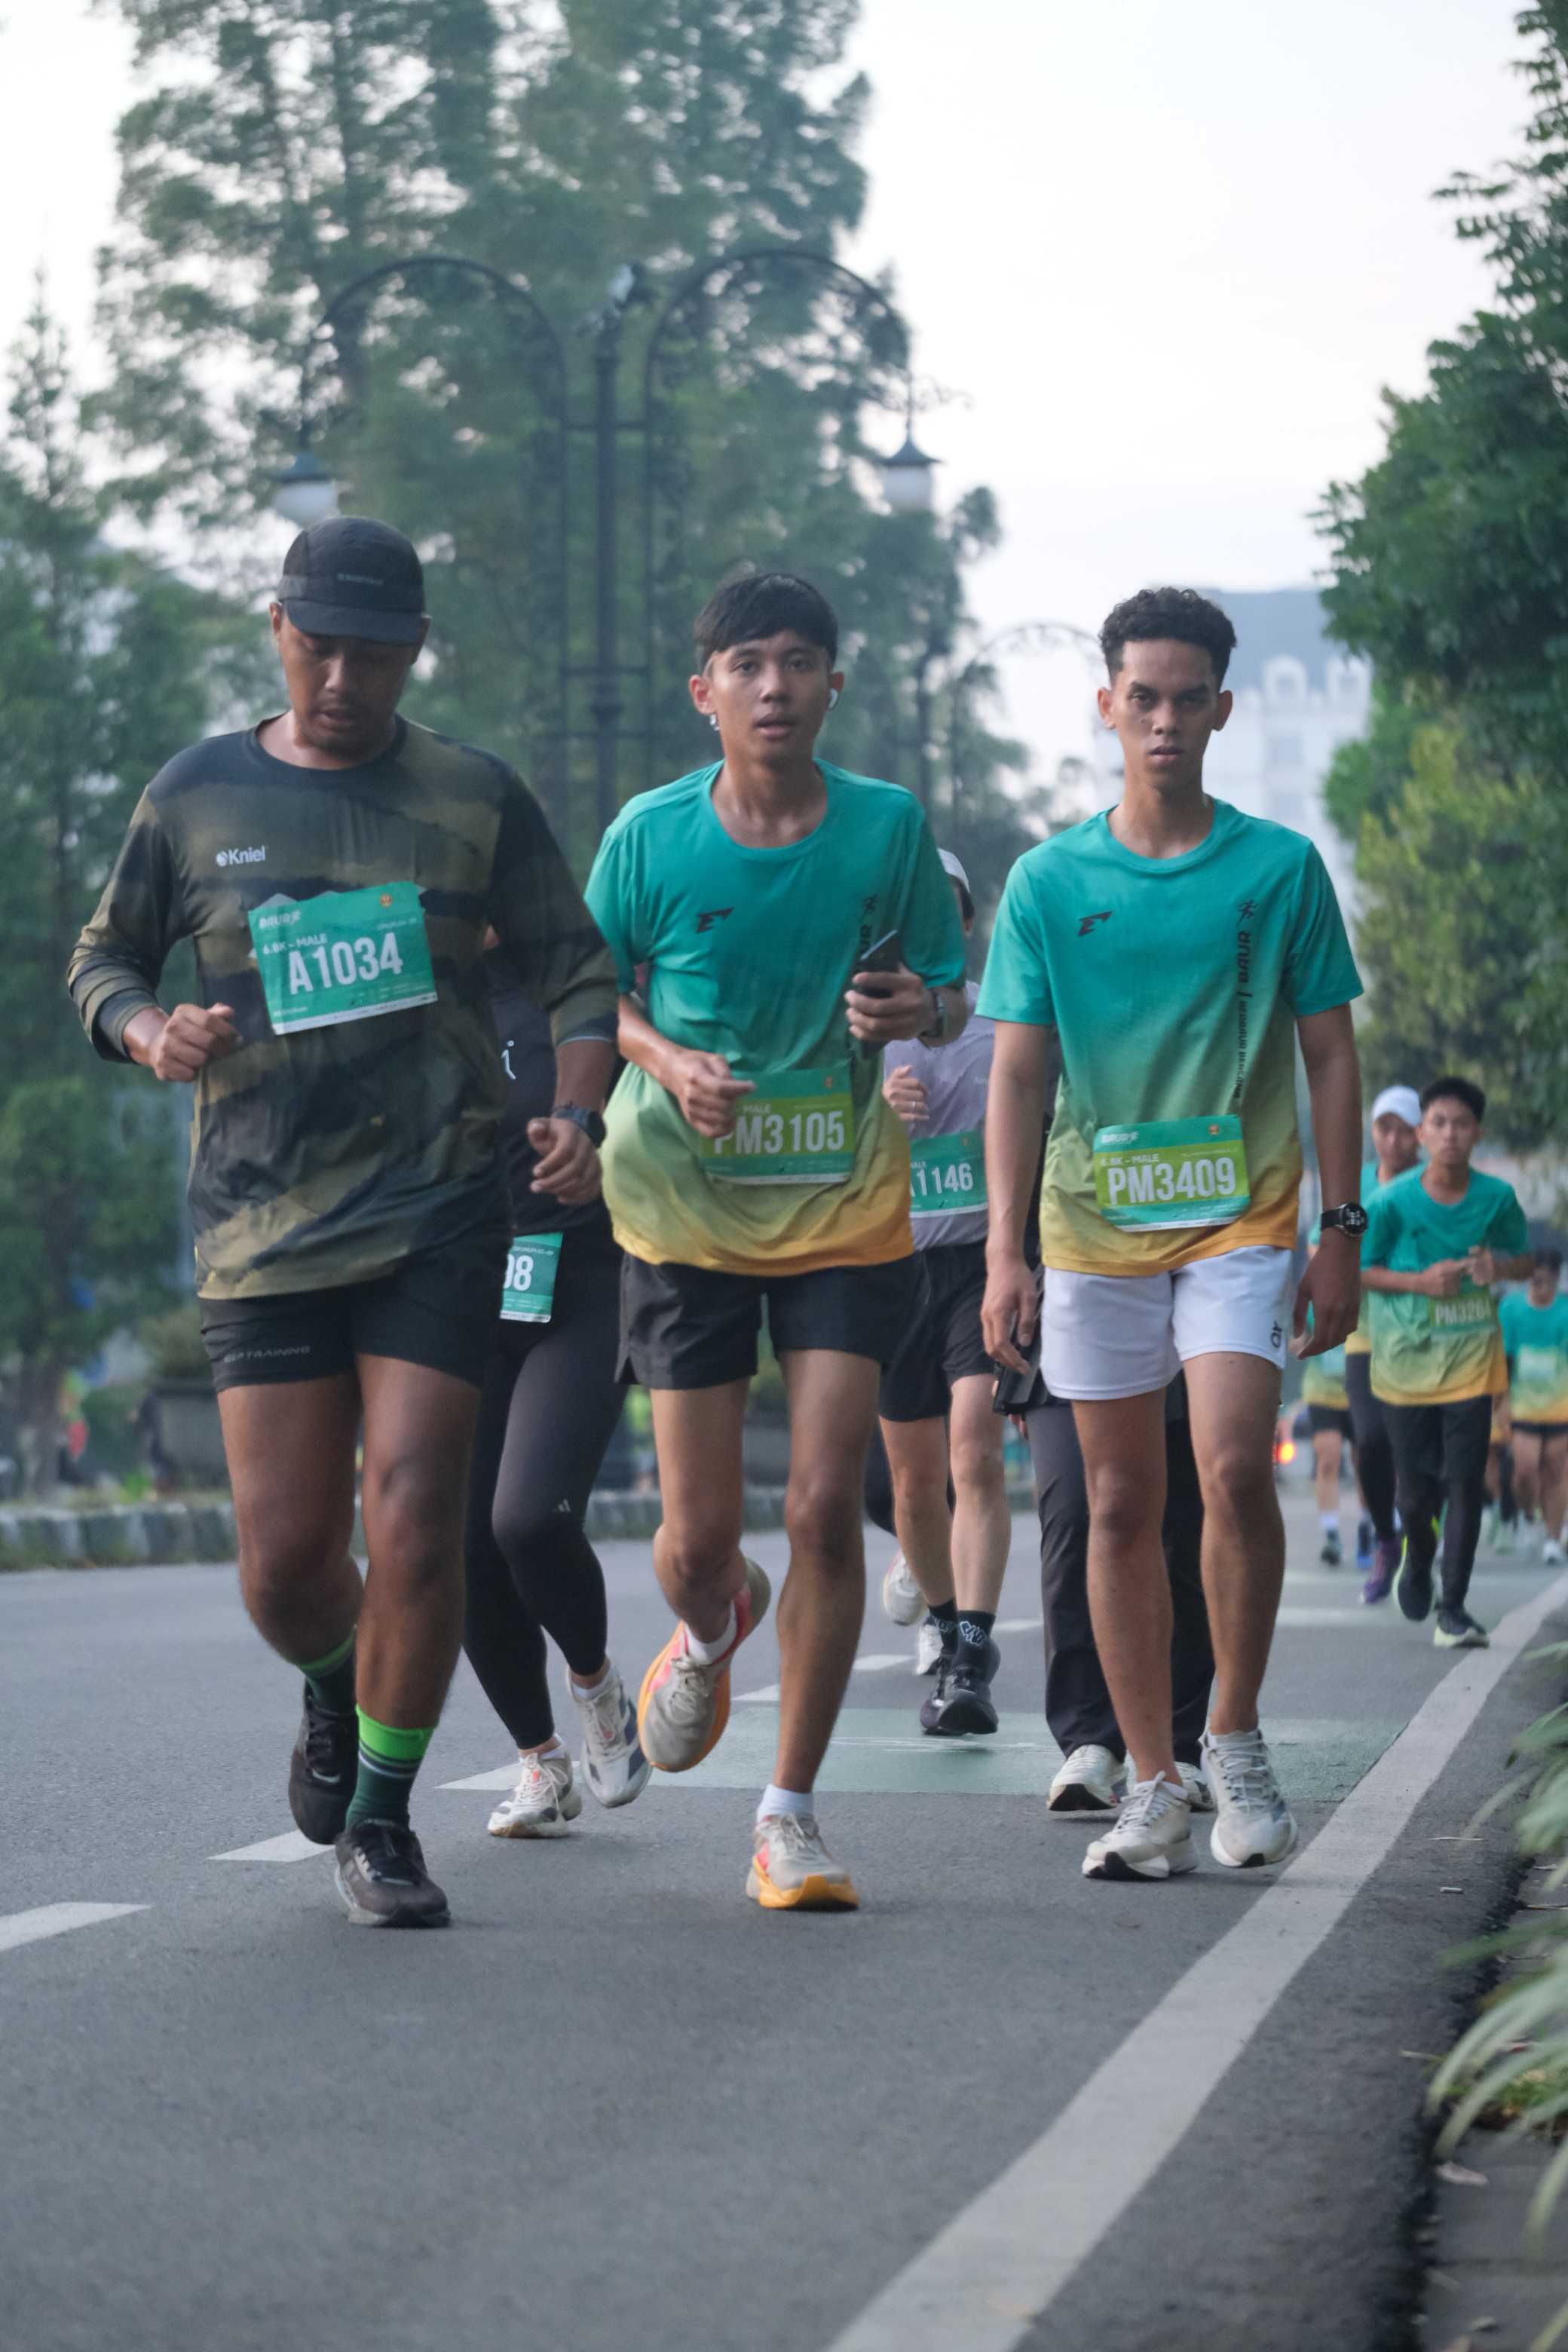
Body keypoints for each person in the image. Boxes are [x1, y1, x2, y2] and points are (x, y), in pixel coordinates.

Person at [67, 516, 617, 1928]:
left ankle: (382, 1820)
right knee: (287, 1565)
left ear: (413, 650)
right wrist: (148, 1029)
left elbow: (576, 971)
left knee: (419, 1513)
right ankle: (334, 1682)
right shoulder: (197, 794)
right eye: (316, 648)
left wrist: (576, 1112)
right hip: (260, 1222)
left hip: (440, 1205)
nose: (340, 680)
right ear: (276, 631)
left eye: (372, 656)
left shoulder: (473, 796)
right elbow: (104, 956)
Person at [583, 571, 968, 1911]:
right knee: (697, 1540)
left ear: (833, 685)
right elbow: (589, 997)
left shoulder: (887, 826)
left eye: (800, 662)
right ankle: (711, 1624)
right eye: (747, 665)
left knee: (820, 1508)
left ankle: (787, 1815)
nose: (774, 687)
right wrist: (666, 1059)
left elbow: (948, 991)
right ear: (706, 692)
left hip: (843, 1203)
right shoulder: (649, 836)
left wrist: (914, 1009)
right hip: (682, 1205)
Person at [980, 585, 1364, 1885]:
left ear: (1221, 710)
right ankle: (1150, 1781)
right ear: (1107, 705)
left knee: (1235, 1469)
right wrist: (1005, 1251)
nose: (1162, 720)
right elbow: (1017, 1075)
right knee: (1117, 1502)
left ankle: (1232, 1740)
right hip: (1093, 1232)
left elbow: (1330, 1053)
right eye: (1140, 698)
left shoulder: (1279, 869)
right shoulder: (1048, 882)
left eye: (1186, 699)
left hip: (1242, 1220)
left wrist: (1341, 1227)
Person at [461, 947, 650, 1836]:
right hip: (461, 1297)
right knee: (463, 1549)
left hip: (584, 1286)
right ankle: (539, 1762)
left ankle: (595, 1685)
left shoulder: (581, 992)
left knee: (528, 1520)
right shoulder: (419, 999)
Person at [876, 849, 1011, 1735]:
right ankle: (941, 1612)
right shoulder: (857, 1027)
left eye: (944, 906)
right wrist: (872, 1113)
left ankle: (971, 1650)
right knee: (915, 1485)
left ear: (961, 921)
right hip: (890, 1268)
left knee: (975, 1453)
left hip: (976, 1265)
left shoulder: (1000, 1024)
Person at [1362, 1076, 1533, 1647]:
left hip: (1471, 1360)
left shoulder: (1497, 1197)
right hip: (1405, 1364)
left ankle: (1453, 1609)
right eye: (1439, 1123)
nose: (1450, 1134)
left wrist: (1498, 1269)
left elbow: (1524, 1259)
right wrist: (1419, 1282)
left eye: (1462, 1124)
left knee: (1464, 1481)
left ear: (1477, 1133)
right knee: (1415, 1495)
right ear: (1422, 1133)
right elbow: (1360, 1270)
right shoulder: (1390, 1202)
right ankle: (1417, 1560)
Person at [1348, 1085, 1423, 1603]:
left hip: (1426, 1338)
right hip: (1367, 1336)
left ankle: (1422, 1539)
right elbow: (1324, 1250)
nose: (1393, 1140)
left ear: (1419, 1134)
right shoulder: (1353, 1186)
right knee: (1371, 1440)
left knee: (1419, 1451)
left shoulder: (1437, 1186)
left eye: (1403, 1129)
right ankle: (1385, 1538)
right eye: (1384, 1128)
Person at [1500, 1245, 1568, 1566]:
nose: (1540, 1287)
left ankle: (1553, 1539)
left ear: (1556, 1278)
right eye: (1534, 1280)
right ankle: (1528, 1514)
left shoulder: (1565, 1311)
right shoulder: (1511, 1309)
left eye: (1546, 1281)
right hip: (1523, 1406)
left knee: (1556, 1470)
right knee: (1525, 1469)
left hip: (1559, 1407)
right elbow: (1503, 1362)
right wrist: (1501, 1407)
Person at [1300, 1334, 1353, 1566]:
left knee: (1367, 1461)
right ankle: (1331, 1534)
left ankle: (1371, 1528)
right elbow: (1295, 1339)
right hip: (1323, 1391)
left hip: (1363, 1385)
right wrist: (1298, 1340)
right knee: (1328, 1460)